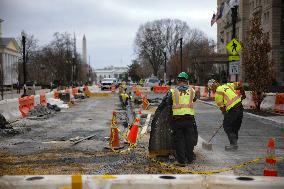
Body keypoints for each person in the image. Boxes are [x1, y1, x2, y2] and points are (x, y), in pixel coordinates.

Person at [155, 72, 197, 166]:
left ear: (178, 81)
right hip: (189, 119)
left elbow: (168, 102)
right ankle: (190, 159)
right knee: (189, 139)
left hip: (178, 119)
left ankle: (182, 161)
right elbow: (194, 99)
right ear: (186, 81)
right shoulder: (192, 91)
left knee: (179, 140)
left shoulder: (173, 91)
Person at [207, 79, 246, 151]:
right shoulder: (227, 85)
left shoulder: (218, 93)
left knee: (227, 126)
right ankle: (234, 144)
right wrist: (243, 94)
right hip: (240, 107)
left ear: (212, 87)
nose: (212, 90)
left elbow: (222, 108)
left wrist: (226, 116)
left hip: (233, 110)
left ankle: (233, 145)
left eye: (211, 89)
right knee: (235, 126)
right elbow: (240, 84)